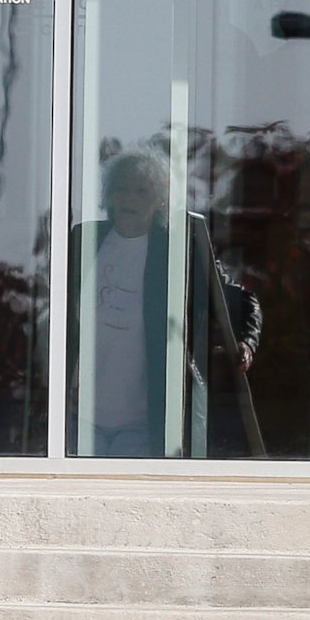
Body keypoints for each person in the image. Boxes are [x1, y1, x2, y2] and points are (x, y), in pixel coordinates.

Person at [65, 147, 256, 458]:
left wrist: (246, 341)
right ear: (108, 195)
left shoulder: (177, 250)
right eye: (122, 189)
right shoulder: (85, 240)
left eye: (141, 191)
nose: (129, 198)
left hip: (144, 422)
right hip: (79, 417)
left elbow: (237, 298)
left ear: (159, 200)